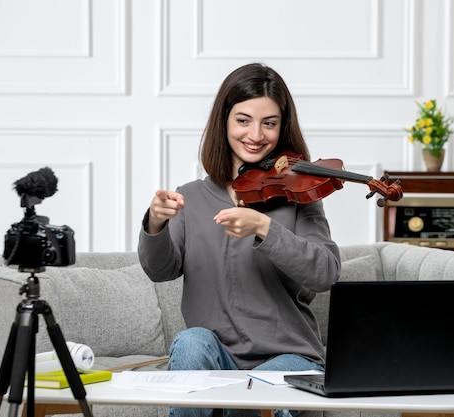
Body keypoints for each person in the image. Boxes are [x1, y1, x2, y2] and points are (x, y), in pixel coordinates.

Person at [138, 63, 341, 417]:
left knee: (247, 396)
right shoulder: (192, 197)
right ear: (224, 123)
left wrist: (266, 227)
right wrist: (155, 222)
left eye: (270, 123)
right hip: (218, 356)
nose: (256, 135)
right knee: (190, 341)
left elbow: (324, 273)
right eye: (243, 120)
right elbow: (160, 270)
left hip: (289, 357)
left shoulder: (298, 195)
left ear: (282, 127)